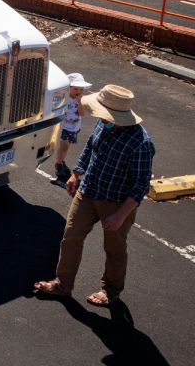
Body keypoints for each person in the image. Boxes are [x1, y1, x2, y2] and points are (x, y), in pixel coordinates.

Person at [34, 85, 155, 308]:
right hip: (88, 191)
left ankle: (111, 290)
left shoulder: (141, 143)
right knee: (71, 236)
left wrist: (120, 215)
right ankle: (63, 285)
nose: (99, 117)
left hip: (117, 202)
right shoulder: (104, 123)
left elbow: (140, 185)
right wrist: (76, 173)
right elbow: (91, 147)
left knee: (114, 248)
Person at [54, 72, 92, 181]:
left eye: (81, 89)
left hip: (74, 128)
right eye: (76, 89)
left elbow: (82, 113)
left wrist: (79, 102)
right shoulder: (64, 98)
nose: (78, 92)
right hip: (64, 127)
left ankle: (61, 161)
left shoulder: (80, 99)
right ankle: (58, 165)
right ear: (69, 87)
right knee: (64, 146)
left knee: (67, 146)